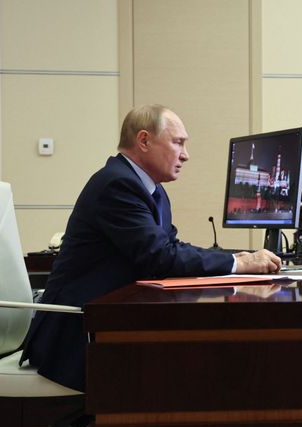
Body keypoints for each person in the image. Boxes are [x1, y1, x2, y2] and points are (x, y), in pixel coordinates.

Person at [20, 104, 282, 392]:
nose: (186, 154)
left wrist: (234, 258)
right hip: (76, 338)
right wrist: (238, 265)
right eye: (178, 142)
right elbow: (161, 257)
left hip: (106, 326)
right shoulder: (117, 185)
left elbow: (169, 246)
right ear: (144, 140)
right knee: (190, 376)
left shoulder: (150, 188)